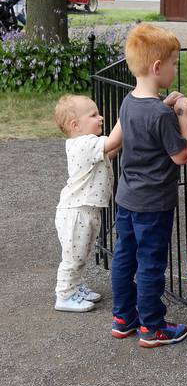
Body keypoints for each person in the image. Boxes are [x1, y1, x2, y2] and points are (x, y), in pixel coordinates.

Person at [110, 23, 187, 347]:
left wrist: (166, 104)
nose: (175, 70)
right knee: (151, 262)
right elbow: (180, 156)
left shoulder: (129, 102)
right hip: (154, 204)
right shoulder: (162, 116)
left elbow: (145, 124)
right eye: (174, 64)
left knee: (124, 256)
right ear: (158, 68)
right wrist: (183, 117)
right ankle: (152, 326)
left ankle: (123, 317)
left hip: (127, 198)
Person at [53, 95, 123, 312]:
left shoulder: (87, 144)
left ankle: (74, 287)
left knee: (81, 253)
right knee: (73, 257)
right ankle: (64, 295)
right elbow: (111, 143)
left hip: (85, 210)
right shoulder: (83, 144)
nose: (100, 117)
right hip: (77, 212)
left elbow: (111, 151)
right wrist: (127, 114)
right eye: (93, 115)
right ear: (76, 126)